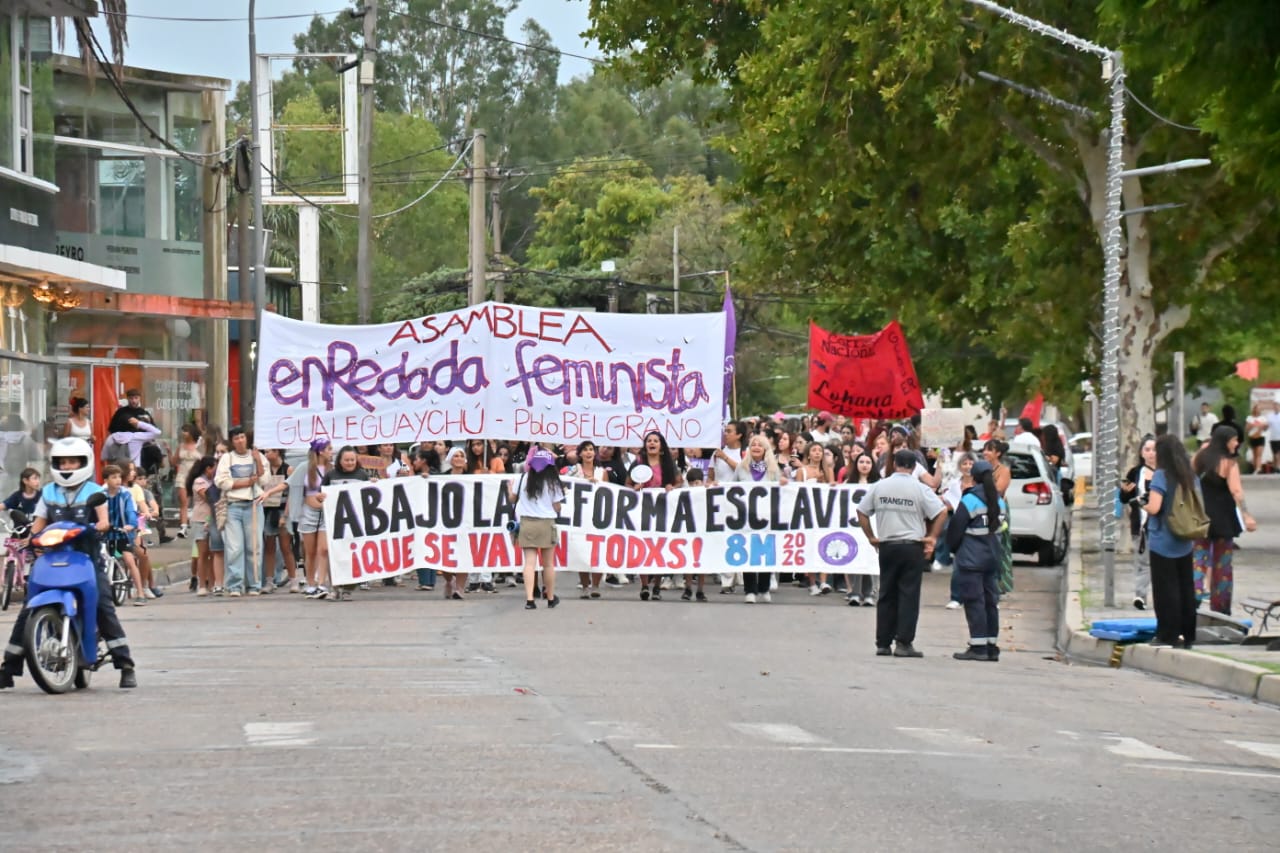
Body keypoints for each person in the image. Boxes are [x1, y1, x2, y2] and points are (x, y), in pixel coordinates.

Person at [1, 439, 137, 689]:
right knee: (27, 611)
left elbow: (103, 519)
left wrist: (102, 525)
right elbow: (39, 523)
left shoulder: (95, 492)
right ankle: (8, 667)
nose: (67, 466)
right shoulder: (48, 492)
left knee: (103, 605)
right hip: (53, 557)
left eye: (72, 461)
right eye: (62, 461)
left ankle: (125, 664)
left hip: (87, 558)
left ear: (84, 463)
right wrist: (30, 537)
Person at [856, 449, 948, 658]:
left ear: (894, 464)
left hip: (887, 545)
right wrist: (932, 537)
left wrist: (871, 537)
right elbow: (941, 511)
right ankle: (904, 642)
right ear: (915, 466)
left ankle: (883, 642)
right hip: (911, 546)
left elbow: (861, 511)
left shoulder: (880, 486)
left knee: (886, 593)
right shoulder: (920, 488)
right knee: (908, 594)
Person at [1191, 425, 1258, 615]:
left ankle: (1193, 598)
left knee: (1198, 560)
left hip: (1200, 517)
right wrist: (1246, 515)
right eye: (1234, 440)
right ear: (1225, 441)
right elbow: (1236, 491)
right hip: (1222, 519)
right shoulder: (1229, 463)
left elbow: (1188, 480)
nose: (1236, 443)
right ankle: (1220, 605)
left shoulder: (1199, 458)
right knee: (1222, 563)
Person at [946, 460, 1008, 661]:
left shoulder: (971, 500)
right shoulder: (999, 501)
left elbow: (955, 529)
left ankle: (978, 646)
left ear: (974, 477)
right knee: (991, 602)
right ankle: (991, 646)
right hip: (992, 559)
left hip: (971, 560)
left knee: (974, 602)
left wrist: (954, 550)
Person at [1144, 435, 1201, 648]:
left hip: (1162, 539)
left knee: (1165, 589)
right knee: (1186, 587)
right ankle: (1188, 633)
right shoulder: (1190, 476)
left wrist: (1142, 502)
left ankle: (1167, 633)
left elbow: (1155, 507)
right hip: (1185, 538)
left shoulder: (1161, 476)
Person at [214, 426, 271, 597]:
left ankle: (254, 583)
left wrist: (258, 460)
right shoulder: (227, 458)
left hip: (253, 505)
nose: (240, 440)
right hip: (233, 505)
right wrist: (245, 483)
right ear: (232, 441)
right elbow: (221, 481)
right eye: (236, 438)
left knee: (254, 546)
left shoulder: (257, 456)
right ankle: (235, 585)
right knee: (234, 548)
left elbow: (264, 480)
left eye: (242, 437)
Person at [512, 447, 565, 610]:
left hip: (527, 523)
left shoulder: (523, 478)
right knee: (548, 564)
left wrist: (509, 490)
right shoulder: (553, 482)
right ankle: (550, 597)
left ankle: (529, 599)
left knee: (529, 563)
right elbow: (557, 507)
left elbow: (512, 498)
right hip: (546, 523)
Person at [732, 434, 780, 603]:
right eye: (753, 445)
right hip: (746, 517)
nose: (756, 447)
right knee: (749, 552)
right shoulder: (741, 468)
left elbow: (780, 491)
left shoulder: (773, 469)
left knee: (766, 551)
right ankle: (750, 590)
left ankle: (764, 588)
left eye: (760, 445)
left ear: (766, 449)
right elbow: (731, 489)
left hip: (767, 518)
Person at [320, 446, 369, 601]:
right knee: (335, 554)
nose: (349, 463)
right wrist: (320, 497)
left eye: (352, 460)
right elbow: (320, 494)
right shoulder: (330, 475)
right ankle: (335, 588)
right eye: (346, 460)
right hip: (335, 522)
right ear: (340, 461)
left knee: (353, 555)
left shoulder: (362, 475)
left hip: (355, 523)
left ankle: (348, 588)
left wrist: (373, 484)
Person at [287, 439, 332, 599]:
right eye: (329, 449)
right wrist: (268, 493)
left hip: (326, 514)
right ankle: (311, 583)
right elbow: (289, 483)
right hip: (308, 514)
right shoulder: (305, 468)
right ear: (320, 451)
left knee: (324, 549)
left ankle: (321, 582)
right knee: (310, 551)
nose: (331, 452)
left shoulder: (331, 469)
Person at [1119, 436, 1157, 610]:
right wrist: (1126, 492)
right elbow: (1124, 498)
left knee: (1160, 563)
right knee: (1143, 562)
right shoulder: (1135, 473)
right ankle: (1140, 596)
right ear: (1141, 453)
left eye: (1154, 449)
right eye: (1147, 450)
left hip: (1161, 525)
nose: (1150, 453)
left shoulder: (1166, 473)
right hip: (1140, 525)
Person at [102, 463, 147, 607]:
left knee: (129, 559)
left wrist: (130, 525)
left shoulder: (125, 495)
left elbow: (130, 511)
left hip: (122, 533)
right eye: (113, 477)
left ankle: (140, 593)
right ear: (106, 480)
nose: (117, 480)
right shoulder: (100, 495)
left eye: (119, 477)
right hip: (105, 533)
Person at [568, 441, 608, 598]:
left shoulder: (602, 472)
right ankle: (585, 585)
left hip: (597, 516)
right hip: (579, 516)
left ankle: (595, 585)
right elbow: (565, 486)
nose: (588, 453)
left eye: (591, 449)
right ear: (580, 454)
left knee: (597, 550)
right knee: (581, 551)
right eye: (585, 450)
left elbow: (609, 492)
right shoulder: (573, 471)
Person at [259, 448, 299, 593]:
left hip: (283, 510)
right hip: (268, 510)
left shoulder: (288, 469)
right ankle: (270, 581)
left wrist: (285, 515)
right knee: (269, 546)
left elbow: (292, 494)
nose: (266, 454)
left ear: (277, 452)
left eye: (269, 451)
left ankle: (293, 579)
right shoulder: (264, 470)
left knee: (285, 546)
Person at [844, 452, 881, 607]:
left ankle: (869, 593)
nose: (864, 465)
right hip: (854, 527)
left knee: (870, 559)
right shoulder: (848, 483)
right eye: (861, 462)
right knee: (856, 559)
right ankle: (855, 592)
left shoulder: (879, 484)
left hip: (873, 527)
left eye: (868, 462)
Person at [171, 423, 201, 537]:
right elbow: (174, 462)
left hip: (196, 476)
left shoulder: (200, 445)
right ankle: (183, 527)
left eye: (186, 431)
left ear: (192, 432)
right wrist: (170, 452)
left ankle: (198, 525)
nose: (184, 433)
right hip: (182, 475)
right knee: (184, 502)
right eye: (182, 431)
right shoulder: (181, 446)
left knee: (199, 501)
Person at [1245, 404, 1268, 474]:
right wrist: (1252, 425)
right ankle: (1256, 469)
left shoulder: (1263, 418)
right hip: (1252, 437)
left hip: (1261, 437)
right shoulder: (1249, 418)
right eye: (1256, 408)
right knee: (1254, 454)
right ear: (1254, 409)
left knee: (1259, 453)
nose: (1258, 410)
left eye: (1259, 409)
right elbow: (1247, 429)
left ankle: (1258, 468)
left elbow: (1266, 428)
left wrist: (1263, 425)